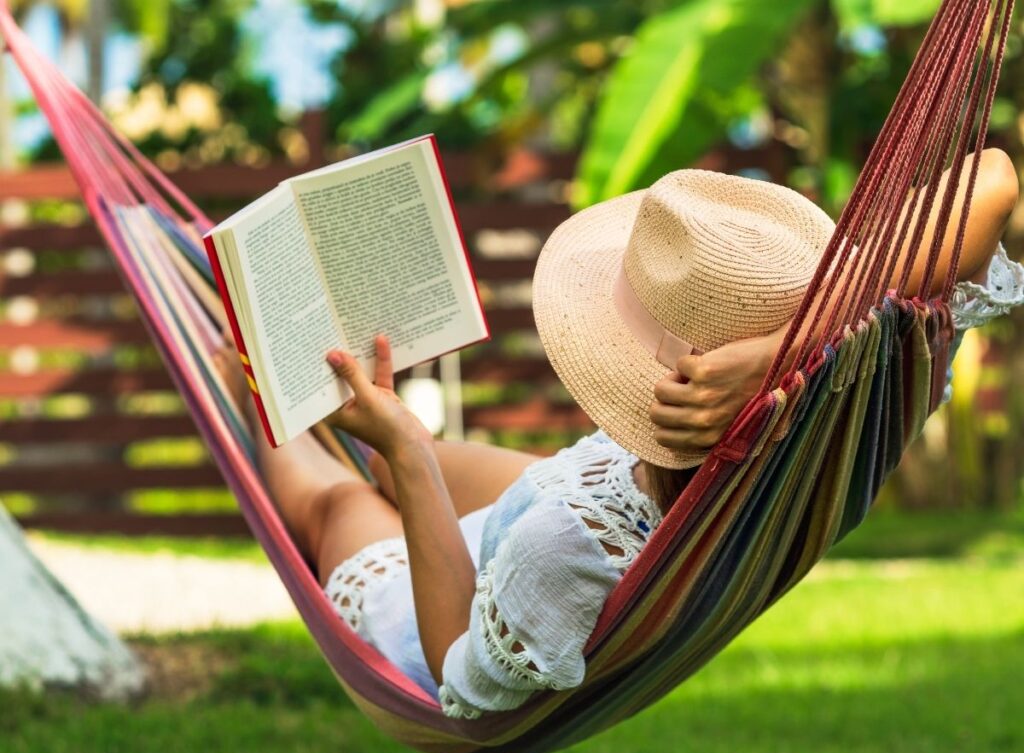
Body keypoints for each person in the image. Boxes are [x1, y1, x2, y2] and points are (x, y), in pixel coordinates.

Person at [214, 149, 1023, 719]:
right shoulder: (855, 394)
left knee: (344, 499)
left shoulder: (564, 551)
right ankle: (353, 422)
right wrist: (787, 349)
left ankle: (243, 382)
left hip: (456, 600)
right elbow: (994, 177)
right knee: (383, 460)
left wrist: (408, 453)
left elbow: (462, 679)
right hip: (587, 486)